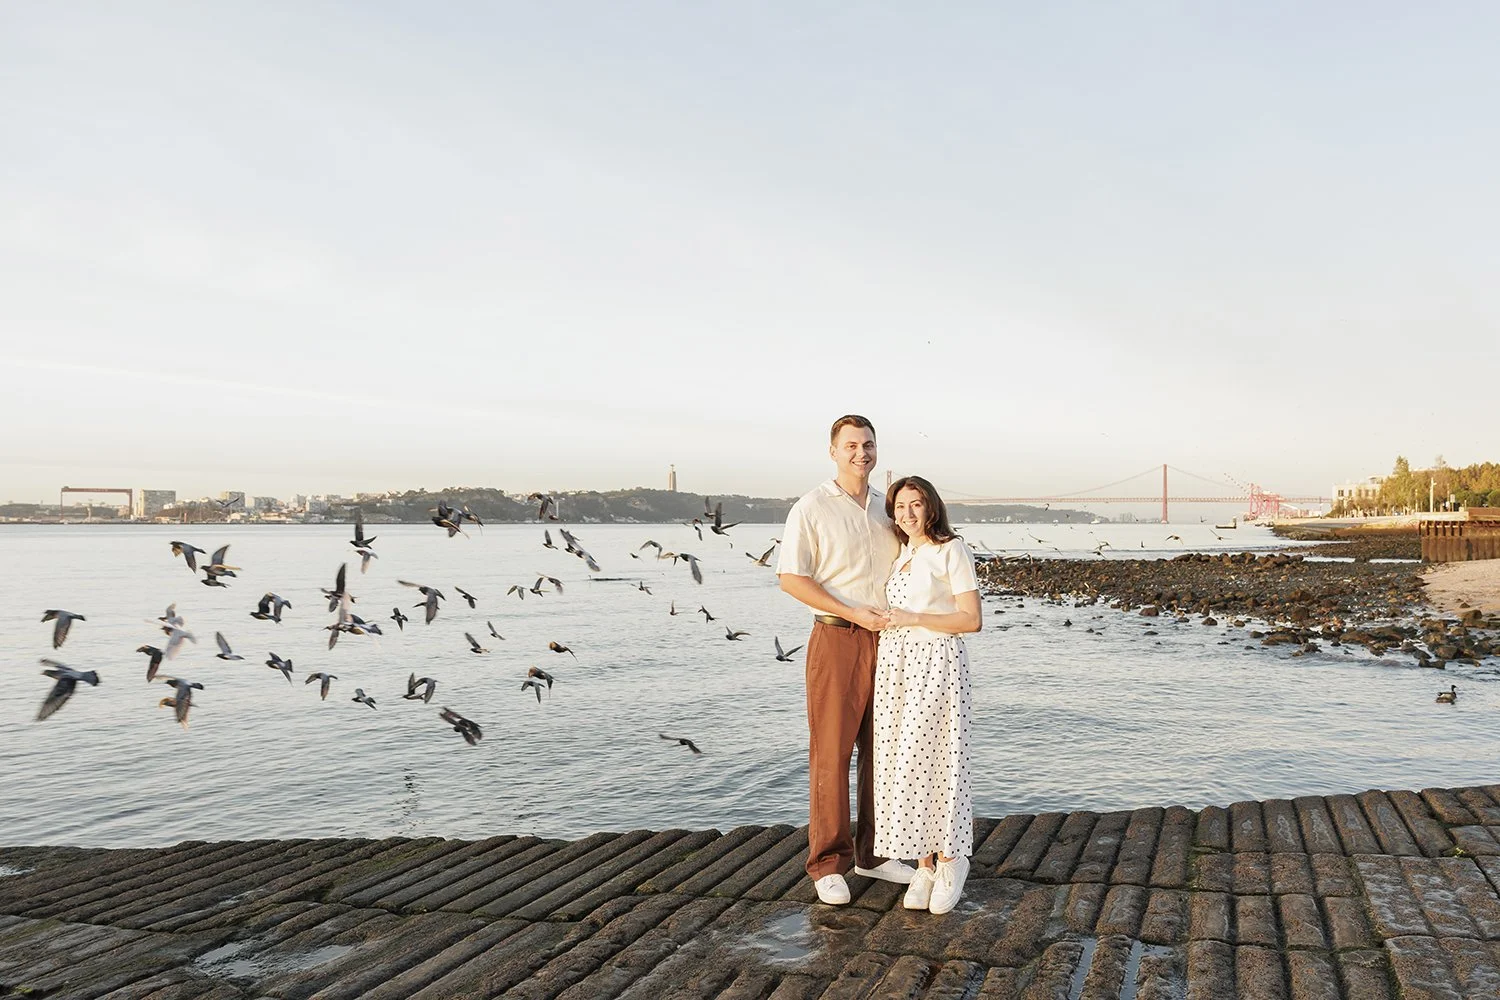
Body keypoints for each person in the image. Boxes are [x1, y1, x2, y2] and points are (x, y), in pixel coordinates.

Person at [778, 415, 917, 904]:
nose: (862, 453)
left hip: (893, 643)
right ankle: (827, 863)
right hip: (837, 639)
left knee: (884, 753)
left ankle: (875, 855)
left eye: (869, 444)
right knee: (832, 755)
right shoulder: (812, 507)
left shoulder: (887, 508)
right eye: (852, 445)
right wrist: (849, 609)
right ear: (834, 452)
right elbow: (792, 579)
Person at [873, 475, 981, 914]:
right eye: (900, 507)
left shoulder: (950, 549)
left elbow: (971, 619)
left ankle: (952, 859)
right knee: (901, 763)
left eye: (916, 505)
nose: (907, 514)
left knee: (938, 759)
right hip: (896, 665)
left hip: (936, 661)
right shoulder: (901, 554)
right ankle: (923, 862)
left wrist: (912, 615)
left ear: (931, 507)